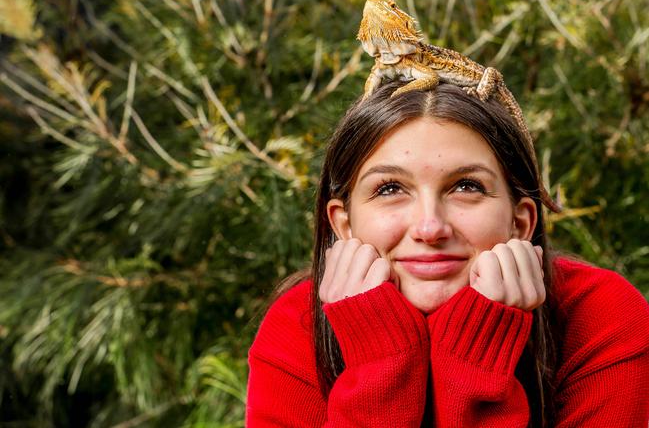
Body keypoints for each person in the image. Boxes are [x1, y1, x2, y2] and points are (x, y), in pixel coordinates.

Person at [246, 81, 649, 427]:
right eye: (390, 189)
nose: (430, 228)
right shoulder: (295, 329)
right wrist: (378, 367)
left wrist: (476, 367)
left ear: (520, 221)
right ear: (344, 224)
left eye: (466, 186)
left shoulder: (601, 317)